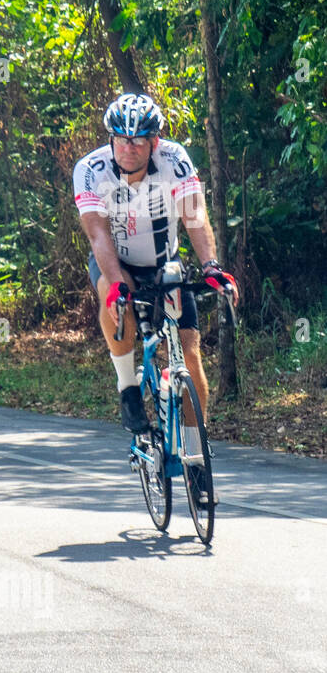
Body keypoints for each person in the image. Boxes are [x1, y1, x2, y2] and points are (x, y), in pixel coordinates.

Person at [72, 93, 237, 503]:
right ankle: (128, 386)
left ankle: (197, 459)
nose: (128, 148)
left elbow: (195, 217)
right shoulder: (90, 170)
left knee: (191, 360)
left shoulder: (176, 160)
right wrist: (118, 282)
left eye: (139, 140)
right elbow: (97, 234)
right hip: (117, 259)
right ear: (111, 140)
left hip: (166, 264)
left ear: (155, 142)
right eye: (121, 139)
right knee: (115, 299)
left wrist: (212, 267)